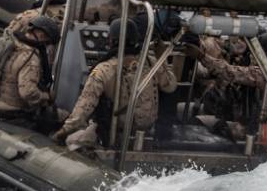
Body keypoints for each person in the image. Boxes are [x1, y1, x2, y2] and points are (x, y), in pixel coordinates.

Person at [53, 19, 178, 147]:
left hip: (113, 132)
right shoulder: (151, 62)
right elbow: (170, 86)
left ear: (111, 40)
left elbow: (84, 108)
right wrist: (162, 58)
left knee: (71, 141)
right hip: (147, 130)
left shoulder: (102, 69)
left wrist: (63, 131)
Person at [0, 13, 61, 125]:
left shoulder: (11, 44)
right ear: (41, 35)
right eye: (47, 42)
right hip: (10, 113)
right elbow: (28, 93)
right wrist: (46, 97)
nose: (46, 45)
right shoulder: (30, 58)